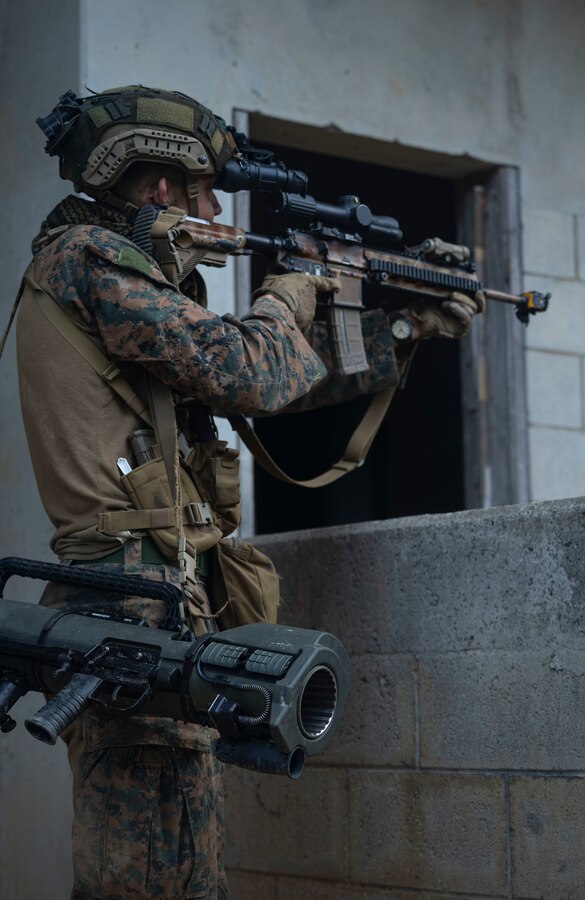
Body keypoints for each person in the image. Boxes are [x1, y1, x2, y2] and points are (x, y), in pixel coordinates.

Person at [13, 85, 483, 899]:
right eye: (208, 196)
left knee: (188, 865)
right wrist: (286, 293)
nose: (223, 216)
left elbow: (274, 383)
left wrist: (403, 330)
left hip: (160, 594)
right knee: (148, 874)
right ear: (162, 189)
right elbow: (253, 370)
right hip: (129, 598)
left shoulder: (136, 283)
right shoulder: (88, 259)